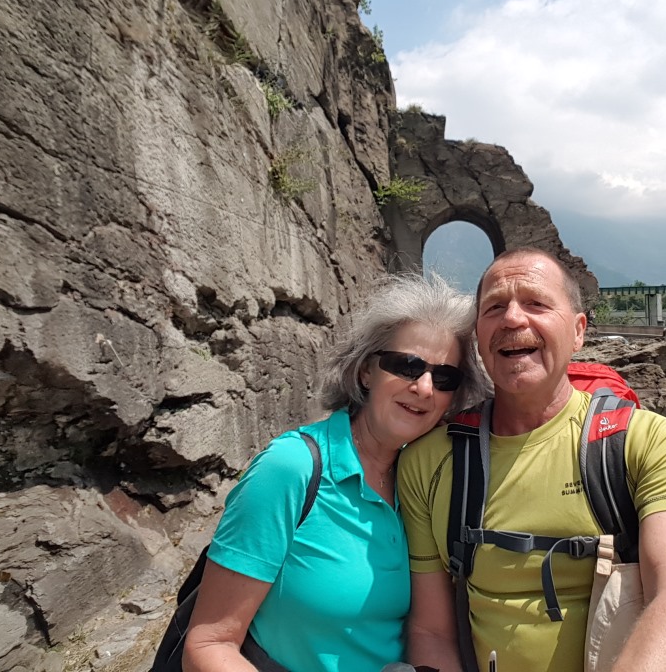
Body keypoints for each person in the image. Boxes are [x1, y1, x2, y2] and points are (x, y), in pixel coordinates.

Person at [398, 249, 666, 672]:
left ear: (578, 331)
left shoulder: (644, 441)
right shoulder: (430, 461)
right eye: (494, 307)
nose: (513, 318)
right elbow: (431, 631)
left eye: (536, 303)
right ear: (477, 337)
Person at [183, 274, 489, 672]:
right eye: (408, 366)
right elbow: (208, 644)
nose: (425, 388)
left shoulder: (424, 479)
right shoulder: (290, 469)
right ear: (365, 371)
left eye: (445, 377)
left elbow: (430, 633)